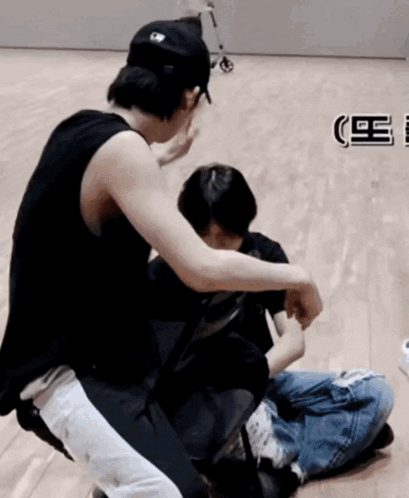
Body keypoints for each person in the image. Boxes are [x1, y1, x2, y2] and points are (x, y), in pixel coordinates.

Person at [0, 19, 322, 498]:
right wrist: (298, 276)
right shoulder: (126, 154)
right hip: (61, 375)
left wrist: (161, 158)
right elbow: (202, 267)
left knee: (238, 364)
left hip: (96, 360)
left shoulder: (81, 130)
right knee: (174, 492)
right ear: (190, 98)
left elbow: (107, 182)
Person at [147, 164, 394, 497]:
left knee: (376, 392)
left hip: (265, 379)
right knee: (253, 423)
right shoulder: (163, 277)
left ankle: (285, 469)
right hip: (210, 400)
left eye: (227, 239)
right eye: (208, 240)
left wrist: (254, 379)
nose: (218, 252)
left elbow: (293, 342)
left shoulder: (261, 254)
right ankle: (327, 443)